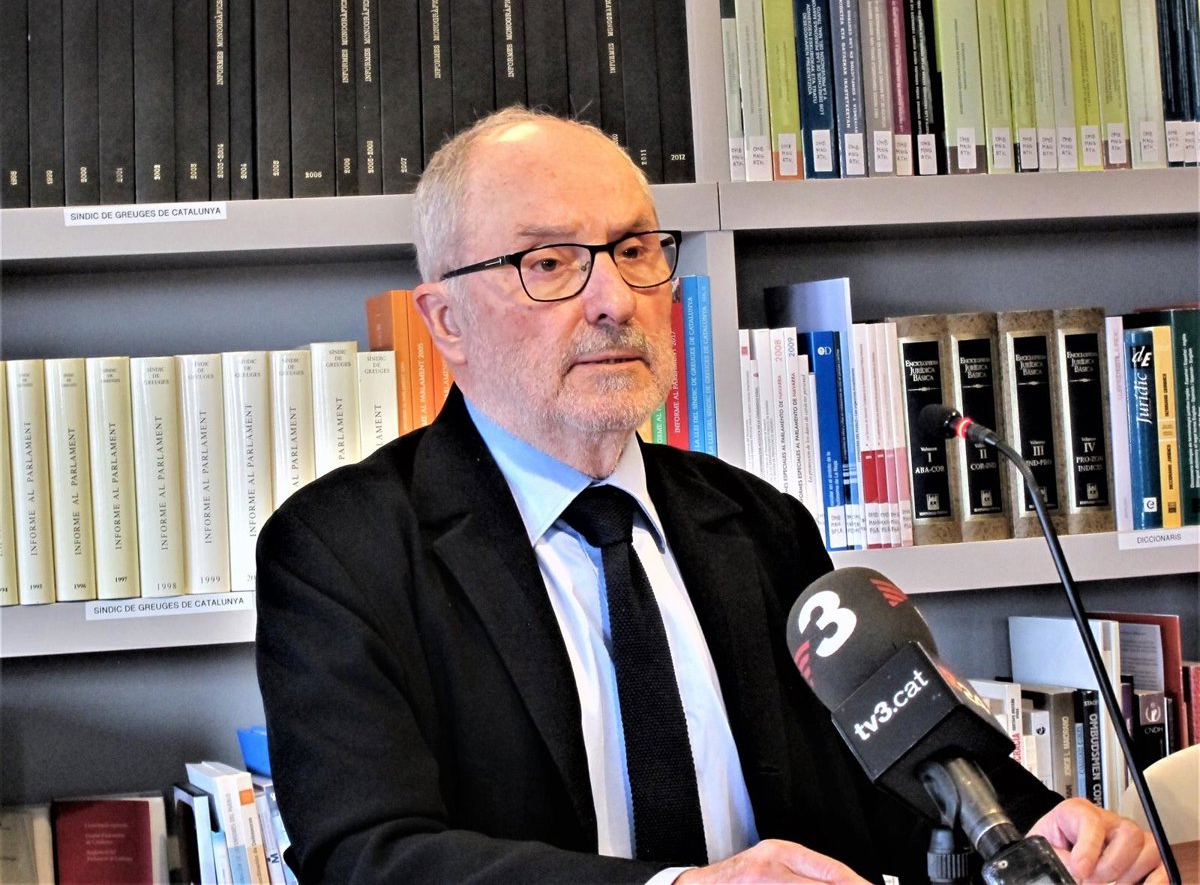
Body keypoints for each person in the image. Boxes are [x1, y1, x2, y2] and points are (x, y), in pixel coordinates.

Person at [255, 107, 1165, 884]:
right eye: (550, 262)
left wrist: (1043, 830)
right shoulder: (341, 550)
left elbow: (897, 765)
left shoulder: (760, 523)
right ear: (446, 320)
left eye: (635, 250)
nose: (614, 299)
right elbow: (366, 856)